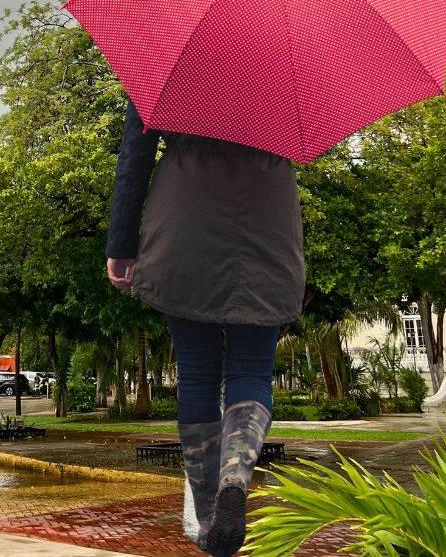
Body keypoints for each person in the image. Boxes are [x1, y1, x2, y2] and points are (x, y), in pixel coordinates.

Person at [106, 99, 304, 556]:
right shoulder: (286, 62)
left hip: (185, 212)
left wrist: (121, 244)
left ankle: (211, 518)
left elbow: (133, 159)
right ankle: (236, 480)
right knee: (252, 371)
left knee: (197, 373)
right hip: (267, 212)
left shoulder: (167, 58)